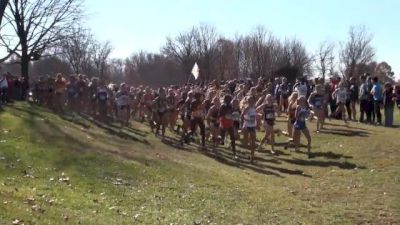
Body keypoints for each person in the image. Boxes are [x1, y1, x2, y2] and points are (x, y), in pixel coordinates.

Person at [241, 96, 257, 163]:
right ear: (247, 101)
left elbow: (254, 117)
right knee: (246, 142)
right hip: (247, 126)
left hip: (253, 126)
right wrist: (246, 121)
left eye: (252, 100)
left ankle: (252, 156)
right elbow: (242, 116)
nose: (251, 102)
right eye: (249, 100)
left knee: (253, 142)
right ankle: (245, 152)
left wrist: (256, 123)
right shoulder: (247, 108)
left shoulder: (254, 107)